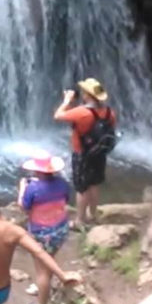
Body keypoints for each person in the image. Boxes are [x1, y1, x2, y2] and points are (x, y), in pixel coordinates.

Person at [53, 78, 117, 227]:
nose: (82, 93)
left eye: (84, 92)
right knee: (94, 183)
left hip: (82, 153)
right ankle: (93, 215)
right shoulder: (109, 112)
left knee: (82, 187)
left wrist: (67, 100)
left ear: (88, 95)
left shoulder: (82, 112)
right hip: (100, 153)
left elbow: (58, 115)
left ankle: (80, 220)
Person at [17, 150, 71, 304]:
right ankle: (42, 286)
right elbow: (65, 200)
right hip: (60, 230)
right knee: (49, 260)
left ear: (37, 171)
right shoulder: (62, 183)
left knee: (42, 270)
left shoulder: (32, 188)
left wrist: (22, 188)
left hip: (41, 234)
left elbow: (23, 207)